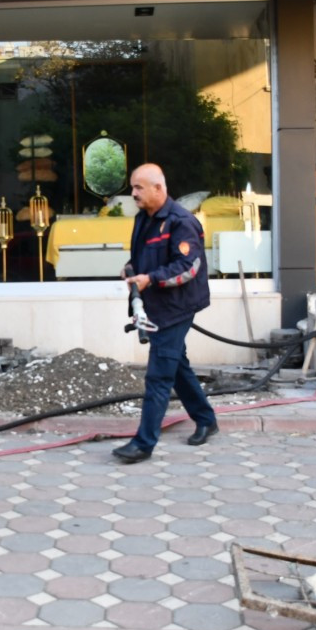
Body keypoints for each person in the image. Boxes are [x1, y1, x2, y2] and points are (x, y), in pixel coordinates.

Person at [113, 163, 219, 464]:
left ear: (159, 188)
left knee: (159, 375)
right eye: (132, 187)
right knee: (178, 366)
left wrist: (151, 279)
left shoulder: (181, 222)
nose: (132, 193)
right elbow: (143, 256)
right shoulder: (143, 219)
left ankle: (143, 443)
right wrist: (132, 268)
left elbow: (187, 268)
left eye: (138, 188)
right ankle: (206, 419)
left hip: (178, 306)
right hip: (157, 303)